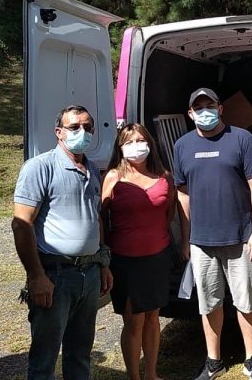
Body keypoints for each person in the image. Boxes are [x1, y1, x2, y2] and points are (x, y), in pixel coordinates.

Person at [173, 88, 252, 380]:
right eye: (198, 107)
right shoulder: (182, 145)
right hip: (202, 242)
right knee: (209, 303)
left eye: (209, 105)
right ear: (190, 113)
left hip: (240, 239)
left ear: (221, 108)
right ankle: (213, 362)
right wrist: (186, 237)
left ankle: (251, 360)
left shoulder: (241, 138)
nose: (205, 111)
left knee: (246, 300)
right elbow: (182, 194)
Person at [12, 105, 112, 380]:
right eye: (74, 127)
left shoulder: (92, 170)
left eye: (88, 127)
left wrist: (102, 263)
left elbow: (96, 220)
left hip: (88, 276)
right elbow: (21, 224)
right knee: (44, 358)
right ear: (58, 132)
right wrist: (36, 277)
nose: (83, 132)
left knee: (80, 354)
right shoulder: (39, 168)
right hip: (55, 277)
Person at [101, 123, 177, 380]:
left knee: (153, 317)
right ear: (120, 148)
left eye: (140, 140)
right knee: (134, 321)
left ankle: (152, 373)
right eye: (129, 142)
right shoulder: (113, 177)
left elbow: (168, 215)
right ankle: (134, 376)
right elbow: (102, 219)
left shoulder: (164, 177)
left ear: (150, 143)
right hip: (125, 260)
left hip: (157, 257)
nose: (136, 146)